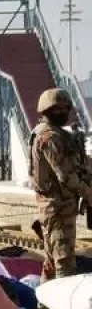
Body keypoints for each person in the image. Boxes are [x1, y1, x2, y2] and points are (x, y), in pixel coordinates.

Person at [30, 89, 92, 279]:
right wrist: (89, 194)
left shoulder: (54, 134)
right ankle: (61, 307)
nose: (64, 112)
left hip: (56, 208)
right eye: (59, 109)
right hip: (58, 209)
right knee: (65, 264)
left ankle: (44, 308)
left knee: (50, 264)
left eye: (66, 108)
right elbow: (66, 176)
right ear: (47, 110)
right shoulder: (50, 137)